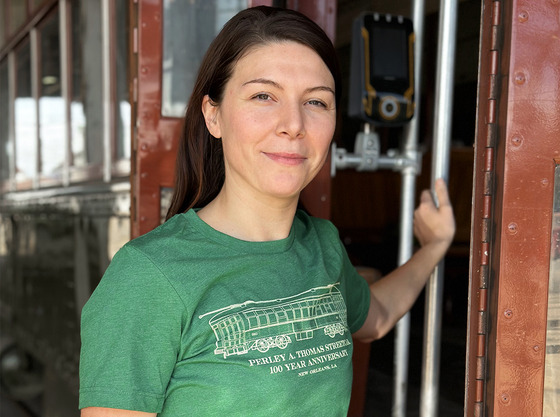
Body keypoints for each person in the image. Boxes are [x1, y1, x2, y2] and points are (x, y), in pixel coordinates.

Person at [79, 6, 455, 417]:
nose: (293, 124)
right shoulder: (148, 276)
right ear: (214, 115)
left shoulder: (321, 244)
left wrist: (434, 246)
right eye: (263, 96)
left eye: (316, 101)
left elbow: (376, 317)